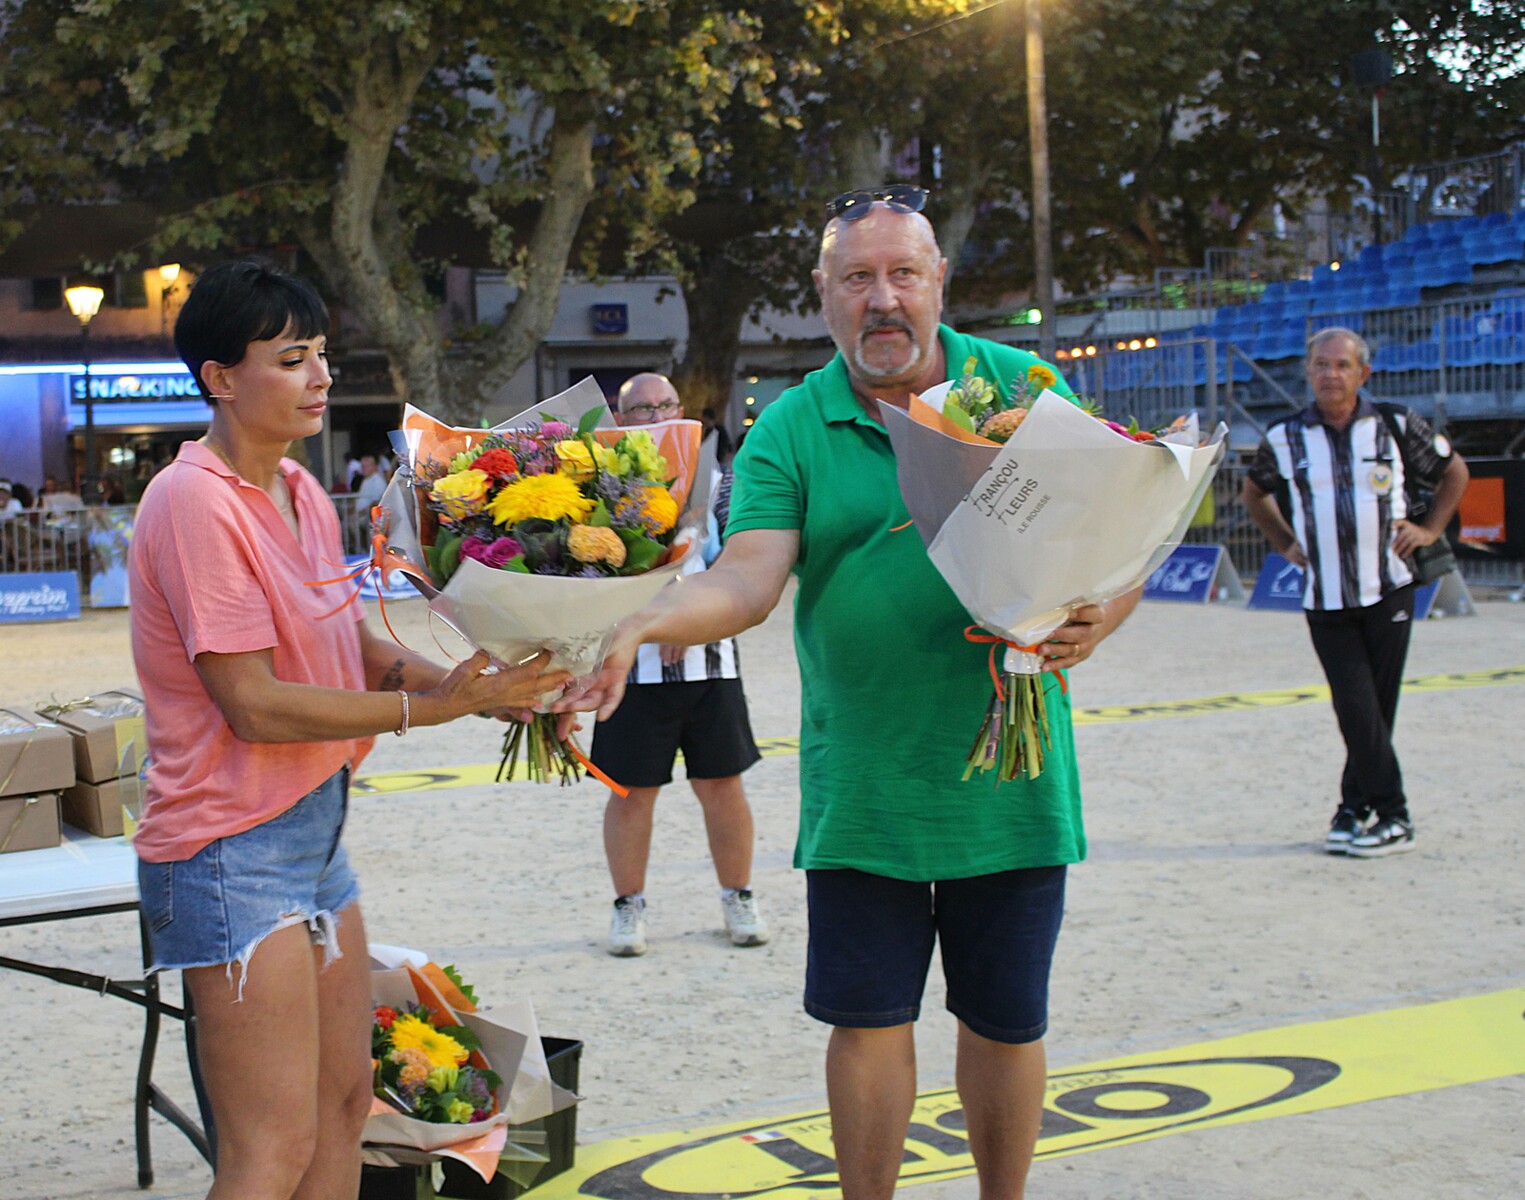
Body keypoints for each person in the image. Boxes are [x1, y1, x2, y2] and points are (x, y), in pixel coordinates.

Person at [561, 186, 1139, 1199]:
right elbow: (748, 578)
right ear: (822, 293)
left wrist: (1103, 614)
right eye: (857, 278)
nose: (882, 298)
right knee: (866, 1024)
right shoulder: (792, 424)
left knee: (1006, 1023)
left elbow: (1118, 537)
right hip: (864, 786)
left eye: (902, 274)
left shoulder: (1024, 387)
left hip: (1013, 781)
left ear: (937, 282)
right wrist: (643, 619)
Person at [128, 259, 569, 1200]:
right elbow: (254, 702)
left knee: (343, 1109)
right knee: (270, 1149)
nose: (321, 376)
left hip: (315, 834)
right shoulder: (193, 499)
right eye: (292, 359)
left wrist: (481, 685)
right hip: (228, 849)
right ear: (220, 377)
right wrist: (433, 708)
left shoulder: (293, 485)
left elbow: (346, 642)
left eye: (322, 354)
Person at [1242, 326, 1468, 859]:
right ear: (1307, 372)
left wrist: (1430, 530)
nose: (1331, 374)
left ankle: (1379, 814)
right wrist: (1285, 543)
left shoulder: (1395, 425)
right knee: (1356, 707)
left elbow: (1454, 473)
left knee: (1374, 710)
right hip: (1325, 599)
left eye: (1342, 365)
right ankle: (1374, 809)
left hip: (1388, 590)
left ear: (1363, 373)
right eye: (1321, 365)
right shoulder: (1285, 437)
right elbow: (1254, 493)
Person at [591, 372, 767, 957]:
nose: (658, 416)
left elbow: (740, 554)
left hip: (711, 660)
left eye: (666, 404)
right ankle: (628, 905)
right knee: (630, 790)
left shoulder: (715, 473)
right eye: (643, 409)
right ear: (621, 420)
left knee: (722, 783)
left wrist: (688, 615)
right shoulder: (599, 480)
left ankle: (738, 894)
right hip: (630, 664)